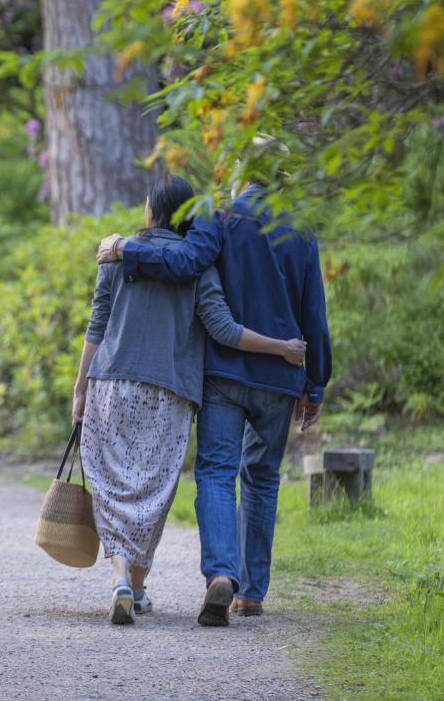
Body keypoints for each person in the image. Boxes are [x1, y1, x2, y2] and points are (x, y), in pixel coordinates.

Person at [96, 172, 331, 627]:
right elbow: (314, 313)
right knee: (262, 479)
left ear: (242, 176)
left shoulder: (220, 218)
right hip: (280, 376)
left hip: (223, 371)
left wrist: (126, 248)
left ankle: (221, 574)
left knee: (218, 472)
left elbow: (184, 260)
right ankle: (251, 594)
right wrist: (315, 383)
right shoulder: (300, 231)